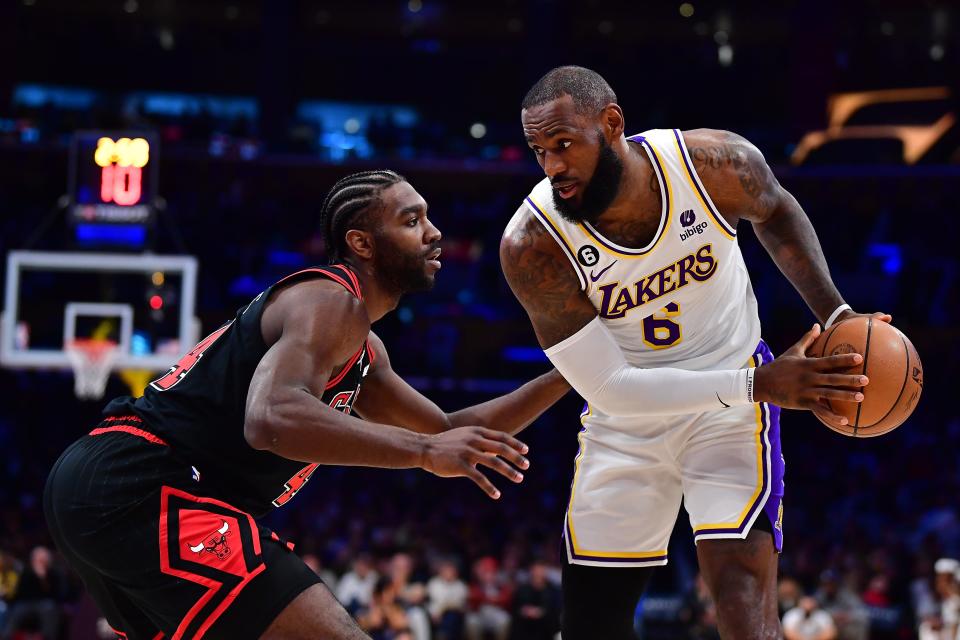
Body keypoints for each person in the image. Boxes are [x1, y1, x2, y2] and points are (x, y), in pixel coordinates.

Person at [44, 169, 571, 640]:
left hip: (116, 489)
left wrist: (575, 370)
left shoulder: (361, 347)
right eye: (412, 221)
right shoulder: (331, 299)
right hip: (143, 483)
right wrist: (421, 451)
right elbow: (271, 418)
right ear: (362, 243)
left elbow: (449, 428)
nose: (434, 233)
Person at [499, 65, 887, 639]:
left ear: (611, 125)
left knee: (741, 602)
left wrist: (836, 314)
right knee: (590, 624)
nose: (553, 166)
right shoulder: (533, 243)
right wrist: (762, 386)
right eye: (539, 151)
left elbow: (776, 210)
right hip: (627, 418)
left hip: (729, 410)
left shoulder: (713, 166)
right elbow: (608, 389)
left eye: (564, 145)